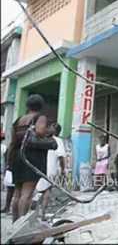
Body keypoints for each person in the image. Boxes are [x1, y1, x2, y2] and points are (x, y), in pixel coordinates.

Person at [7, 94, 57, 222]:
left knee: (17, 193)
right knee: (27, 193)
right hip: (32, 157)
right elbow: (40, 132)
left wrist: (9, 161)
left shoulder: (19, 120)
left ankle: (14, 222)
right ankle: (21, 224)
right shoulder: (40, 117)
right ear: (41, 106)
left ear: (27, 106)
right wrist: (49, 131)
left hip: (18, 156)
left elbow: (12, 141)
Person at [35, 123, 66, 221]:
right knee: (47, 191)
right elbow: (61, 157)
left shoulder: (42, 139)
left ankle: (36, 211)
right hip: (50, 169)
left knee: (40, 190)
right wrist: (63, 170)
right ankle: (42, 214)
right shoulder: (58, 141)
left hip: (40, 168)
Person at [1, 133, 15, 214]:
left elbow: (6, 159)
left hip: (10, 170)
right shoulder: (9, 147)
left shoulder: (10, 146)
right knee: (15, 191)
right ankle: (8, 208)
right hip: (12, 170)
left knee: (11, 191)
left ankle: (7, 207)